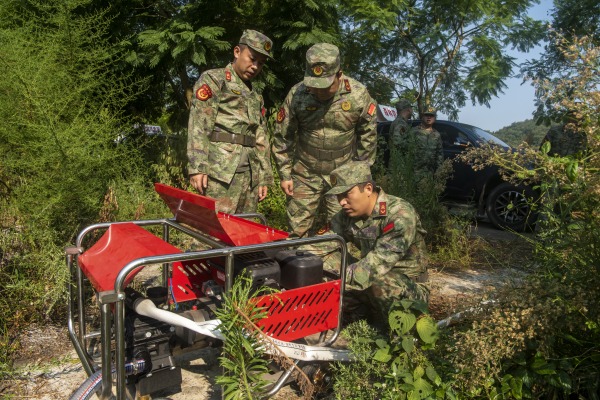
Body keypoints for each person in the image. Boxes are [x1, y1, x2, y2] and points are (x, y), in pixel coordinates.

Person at [272, 43, 378, 237]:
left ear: (339, 74)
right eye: (314, 85)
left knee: (338, 233)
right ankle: (295, 264)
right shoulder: (297, 94)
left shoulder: (358, 94)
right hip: (305, 172)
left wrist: (360, 176)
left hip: (341, 175)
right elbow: (282, 135)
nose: (318, 91)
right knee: (297, 230)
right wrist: (285, 174)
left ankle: (333, 266)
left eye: (325, 86)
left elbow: (368, 135)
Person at [318, 161, 429, 326]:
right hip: (367, 280)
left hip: (406, 286)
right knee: (320, 261)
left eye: (347, 194)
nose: (341, 202)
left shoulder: (399, 214)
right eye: (338, 196)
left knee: (379, 284)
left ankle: (392, 333)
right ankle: (363, 315)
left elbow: (376, 266)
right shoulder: (345, 216)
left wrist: (336, 281)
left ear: (368, 189)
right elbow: (322, 244)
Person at [187, 29, 274, 214]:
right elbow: (199, 124)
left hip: (249, 175)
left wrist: (264, 176)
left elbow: (260, 136)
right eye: (252, 58)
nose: (255, 66)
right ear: (237, 52)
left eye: (261, 63)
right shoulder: (215, 79)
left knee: (244, 232)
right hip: (220, 173)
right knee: (212, 231)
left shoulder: (255, 95)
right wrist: (197, 166)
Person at [399, 106, 444, 181]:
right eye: (427, 115)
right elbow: (404, 150)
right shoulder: (413, 132)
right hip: (413, 173)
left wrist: (439, 172)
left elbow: (439, 154)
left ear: (435, 118)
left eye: (431, 115)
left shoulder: (437, 135)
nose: (429, 117)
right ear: (422, 116)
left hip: (429, 174)